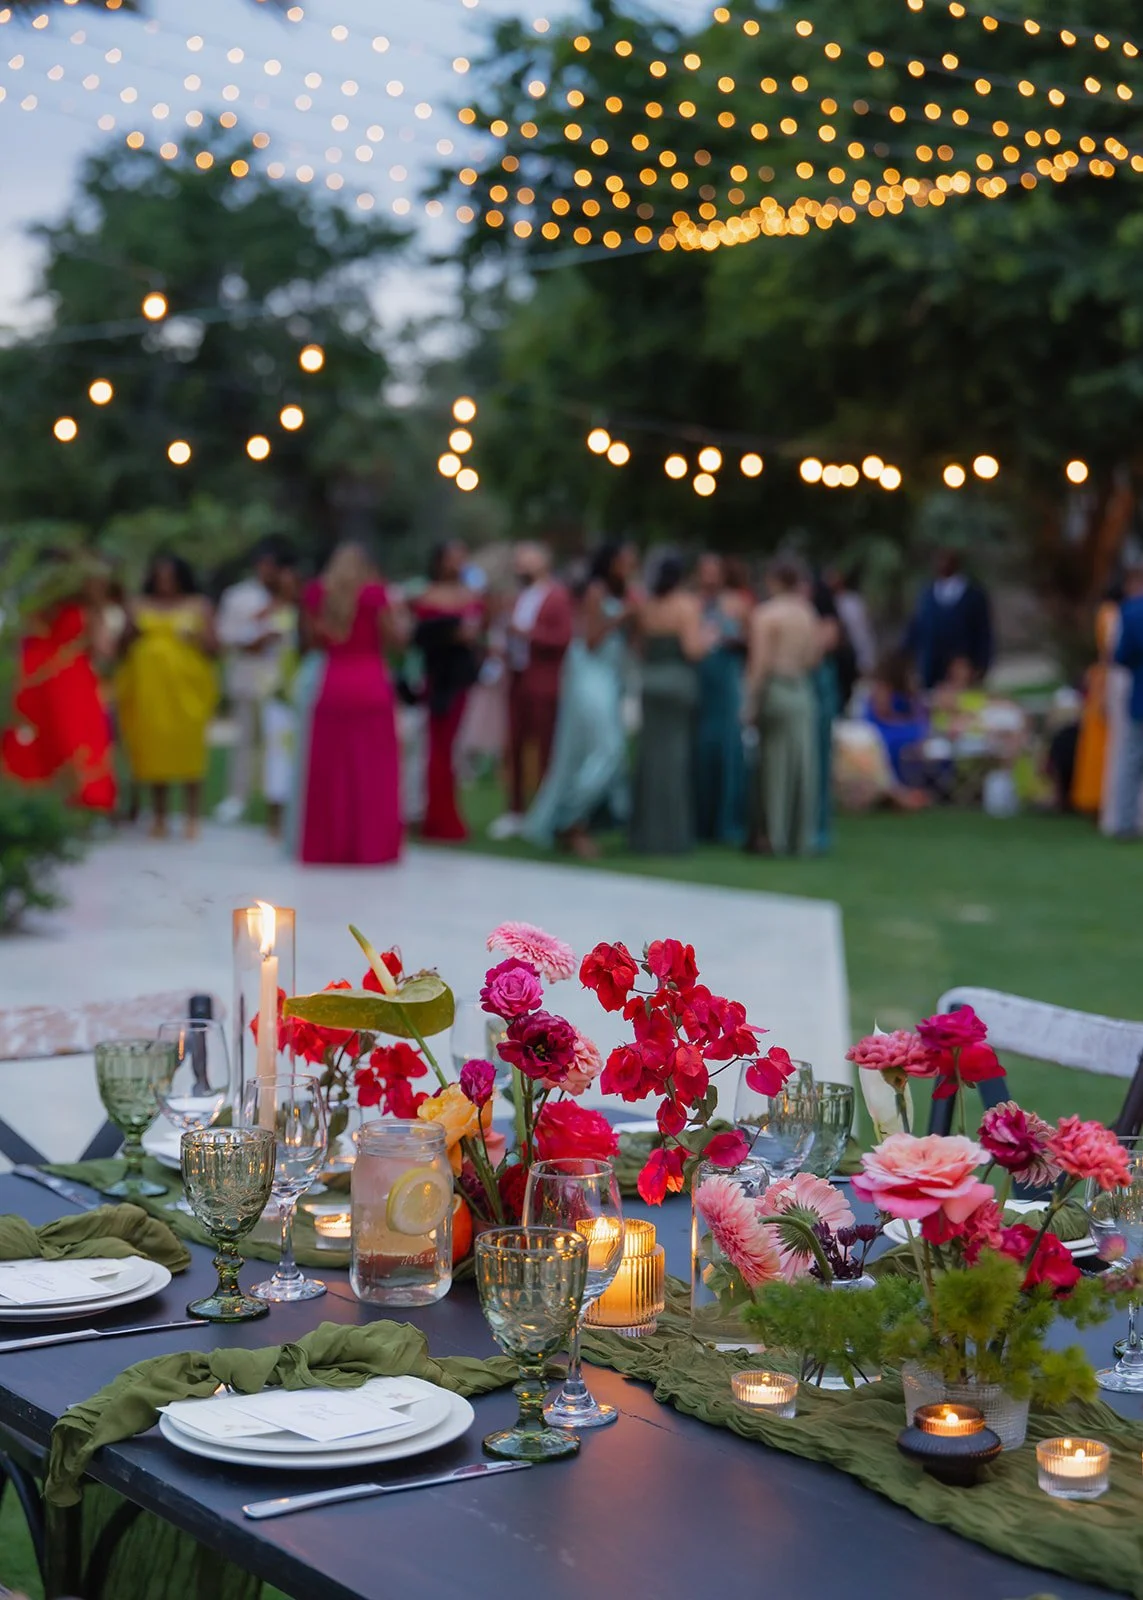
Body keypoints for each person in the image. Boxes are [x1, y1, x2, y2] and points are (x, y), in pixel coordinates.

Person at [294, 543, 404, 865]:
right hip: (371, 683)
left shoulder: (317, 593)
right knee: (372, 771)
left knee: (332, 770)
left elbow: (311, 641)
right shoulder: (375, 594)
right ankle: (372, 846)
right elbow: (394, 639)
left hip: (333, 683)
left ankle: (330, 844)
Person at [523, 541, 636, 857]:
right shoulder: (596, 591)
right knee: (607, 749)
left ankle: (576, 822)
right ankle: (569, 818)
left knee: (595, 751)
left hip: (610, 678)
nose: (631, 566)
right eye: (626, 560)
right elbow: (591, 639)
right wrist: (623, 616)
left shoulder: (623, 593)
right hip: (588, 675)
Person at [115, 553, 218, 838]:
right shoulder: (138, 605)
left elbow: (215, 648)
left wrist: (195, 637)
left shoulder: (199, 605)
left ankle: (191, 816)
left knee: (189, 750)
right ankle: (159, 815)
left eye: (170, 577)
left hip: (188, 689)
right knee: (154, 749)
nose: (165, 583)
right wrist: (132, 632)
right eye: (160, 577)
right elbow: (120, 648)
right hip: (149, 689)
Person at [1, 565, 117, 814]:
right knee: (61, 738)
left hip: (60, 680)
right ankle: (62, 804)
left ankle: (71, 802)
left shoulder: (78, 608)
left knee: (72, 738)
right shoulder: (45, 608)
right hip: (55, 680)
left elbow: (102, 648)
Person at [489, 543, 573, 840]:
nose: (519, 566)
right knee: (514, 744)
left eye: (525, 561)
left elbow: (563, 637)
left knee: (545, 745)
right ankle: (515, 810)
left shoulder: (557, 596)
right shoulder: (518, 597)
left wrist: (526, 634)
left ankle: (544, 810)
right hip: (517, 678)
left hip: (544, 680)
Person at [743, 556, 822, 857]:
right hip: (801, 690)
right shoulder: (807, 613)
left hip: (775, 688)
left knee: (773, 765)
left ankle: (771, 835)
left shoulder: (766, 614)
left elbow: (759, 663)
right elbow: (813, 657)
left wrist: (750, 701)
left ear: (774, 580)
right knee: (800, 764)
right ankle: (799, 835)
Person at [630, 553, 709, 854]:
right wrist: (708, 639)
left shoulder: (646, 606)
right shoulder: (686, 606)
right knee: (675, 759)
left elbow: (639, 648)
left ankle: (645, 834)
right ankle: (671, 836)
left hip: (651, 683)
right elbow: (692, 650)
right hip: (677, 683)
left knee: (650, 757)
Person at [214, 537, 296, 824]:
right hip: (248, 677)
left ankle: (280, 800)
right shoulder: (239, 596)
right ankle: (237, 797)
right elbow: (226, 634)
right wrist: (254, 638)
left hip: (282, 683)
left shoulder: (292, 599)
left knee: (280, 745)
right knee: (245, 742)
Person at [411, 541, 484, 842]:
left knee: (452, 747)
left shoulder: (470, 595)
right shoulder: (426, 596)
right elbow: (417, 637)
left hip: (459, 679)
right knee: (437, 747)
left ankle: (446, 814)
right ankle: (435, 815)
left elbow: (476, 633)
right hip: (436, 677)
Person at [693, 553, 750, 845]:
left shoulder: (737, 603)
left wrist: (725, 640)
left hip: (726, 681)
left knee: (727, 745)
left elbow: (750, 641)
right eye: (705, 571)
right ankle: (700, 818)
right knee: (700, 747)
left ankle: (728, 820)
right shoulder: (691, 603)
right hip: (700, 682)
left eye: (714, 571)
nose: (709, 577)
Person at [905, 549, 993, 691]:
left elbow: (983, 632)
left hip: (963, 666)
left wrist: (981, 664)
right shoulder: (927, 595)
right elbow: (916, 627)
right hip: (932, 666)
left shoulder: (973, 595)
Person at [1072, 587, 1121, 817]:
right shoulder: (1110, 613)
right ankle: (1099, 799)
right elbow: (1111, 652)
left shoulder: (1109, 612)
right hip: (1110, 681)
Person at [1110, 567, 1143, 840]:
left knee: (1131, 760)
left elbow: (1121, 655)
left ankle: (1124, 821)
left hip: (1140, 692)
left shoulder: (1131, 612)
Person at [864, 652, 929, 786]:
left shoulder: (905, 698)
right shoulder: (882, 689)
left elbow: (919, 718)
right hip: (879, 734)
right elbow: (882, 717)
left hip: (898, 732)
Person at [825, 566, 875, 709]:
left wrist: (866, 659)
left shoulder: (852, 602)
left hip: (853, 655)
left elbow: (862, 633)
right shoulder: (827, 601)